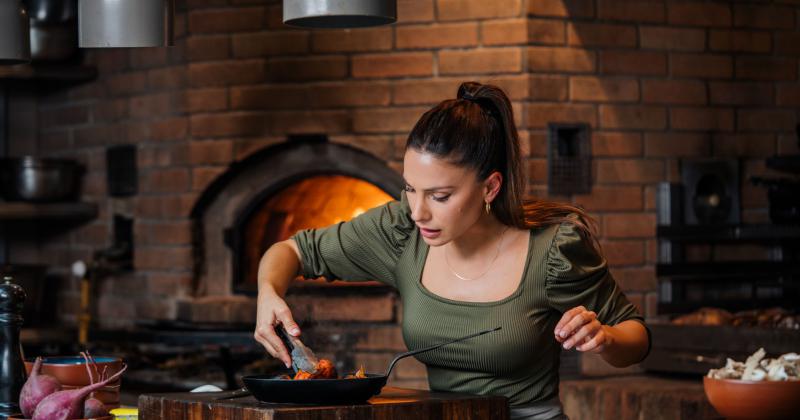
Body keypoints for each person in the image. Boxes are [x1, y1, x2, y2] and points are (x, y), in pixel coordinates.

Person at [254, 81, 650, 419]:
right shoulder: (400, 232)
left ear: (490, 188)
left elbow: (637, 337)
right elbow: (292, 250)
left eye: (439, 196)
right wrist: (268, 293)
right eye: (410, 189)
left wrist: (606, 339)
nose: (418, 210)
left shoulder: (553, 251)